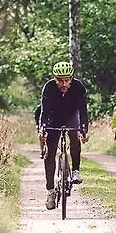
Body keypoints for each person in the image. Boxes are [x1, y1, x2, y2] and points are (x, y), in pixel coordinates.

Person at [38, 61, 89, 210]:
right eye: (60, 80)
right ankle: (50, 191)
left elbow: (83, 111)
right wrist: (42, 130)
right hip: (54, 118)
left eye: (67, 80)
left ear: (72, 78)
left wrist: (84, 129)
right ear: (55, 79)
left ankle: (75, 171)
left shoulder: (79, 87)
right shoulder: (48, 88)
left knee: (75, 136)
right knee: (50, 153)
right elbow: (44, 112)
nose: (64, 83)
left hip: (72, 116)